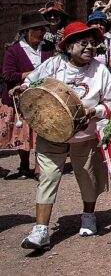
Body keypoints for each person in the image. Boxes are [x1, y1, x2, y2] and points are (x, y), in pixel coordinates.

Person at [13, 22, 111, 250]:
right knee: (48, 176)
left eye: (92, 43)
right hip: (51, 132)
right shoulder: (53, 64)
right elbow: (32, 82)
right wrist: (22, 88)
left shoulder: (100, 71)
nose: (89, 47)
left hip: (84, 135)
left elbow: (110, 103)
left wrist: (94, 111)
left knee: (87, 175)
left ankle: (89, 215)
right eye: (83, 43)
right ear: (68, 47)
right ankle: (40, 231)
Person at [2, 11, 55, 180]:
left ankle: (39, 167)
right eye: (37, 29)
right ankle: (24, 165)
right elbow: (7, 75)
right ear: (26, 31)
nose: (41, 33)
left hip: (42, 97)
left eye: (42, 29)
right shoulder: (14, 51)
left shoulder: (48, 48)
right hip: (19, 99)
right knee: (22, 134)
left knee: (42, 133)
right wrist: (31, 74)